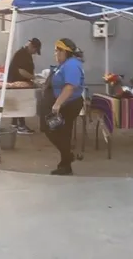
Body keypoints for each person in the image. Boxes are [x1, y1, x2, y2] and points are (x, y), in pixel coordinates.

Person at [41, 38, 84, 175]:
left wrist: (57, 103)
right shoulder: (64, 64)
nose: (55, 54)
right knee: (61, 133)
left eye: (57, 51)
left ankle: (67, 157)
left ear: (65, 52)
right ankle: (66, 163)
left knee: (54, 131)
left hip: (69, 104)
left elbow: (70, 86)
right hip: (64, 104)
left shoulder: (72, 65)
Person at [8, 38, 42, 134]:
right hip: (17, 82)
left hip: (20, 82)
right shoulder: (21, 54)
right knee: (20, 103)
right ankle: (21, 126)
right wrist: (34, 78)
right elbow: (21, 71)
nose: (35, 53)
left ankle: (15, 124)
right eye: (35, 50)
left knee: (17, 103)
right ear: (31, 46)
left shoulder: (26, 54)